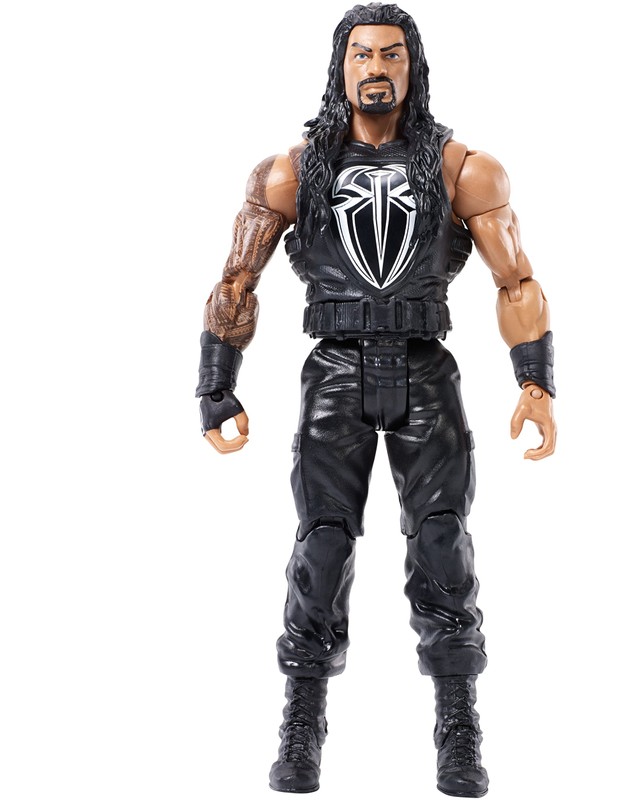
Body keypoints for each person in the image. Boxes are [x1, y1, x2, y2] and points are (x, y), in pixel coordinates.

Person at [195, 3, 556, 796]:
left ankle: (459, 727)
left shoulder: (464, 170)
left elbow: (516, 280)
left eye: (391, 53)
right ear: (341, 66)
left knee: (443, 544)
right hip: (335, 370)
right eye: (362, 54)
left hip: (425, 369)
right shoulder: (290, 172)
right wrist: (216, 384)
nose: (377, 68)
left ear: (413, 65)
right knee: (321, 547)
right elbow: (237, 279)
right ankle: (301, 722)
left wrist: (535, 380)